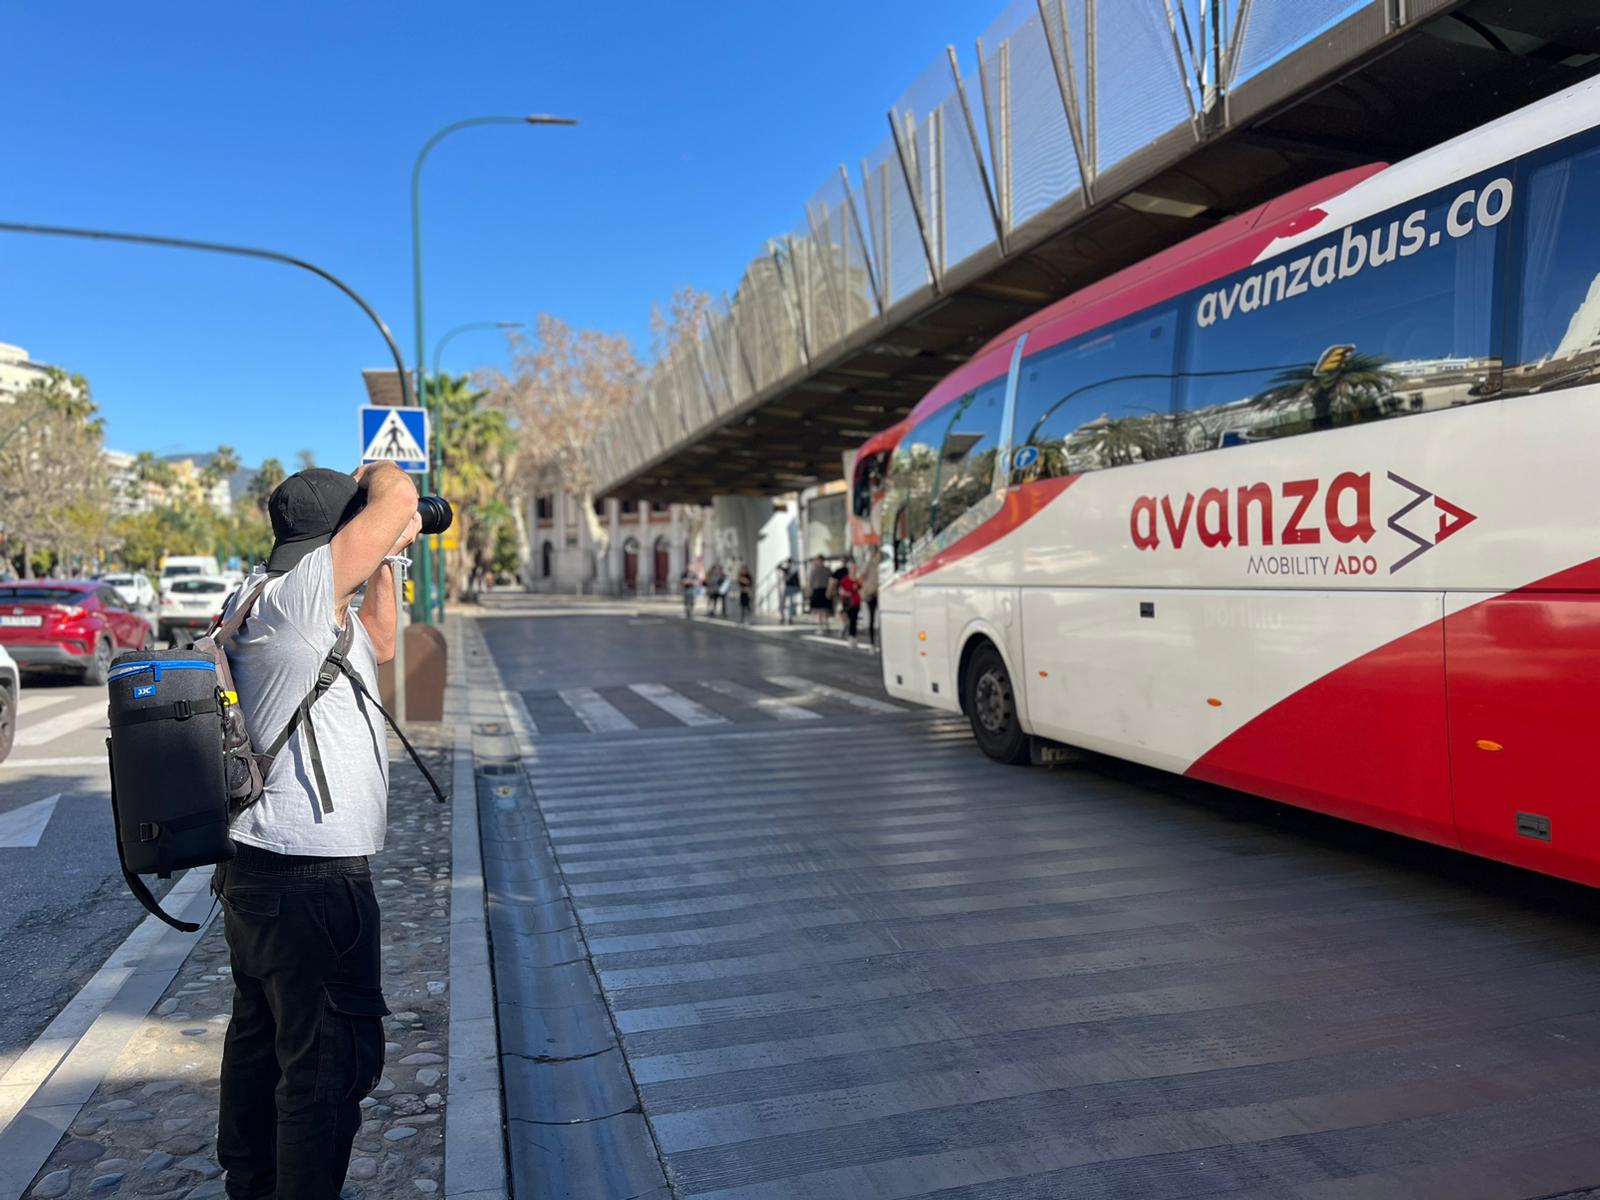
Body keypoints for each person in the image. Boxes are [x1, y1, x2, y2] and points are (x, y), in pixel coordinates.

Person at [212, 462, 420, 1198]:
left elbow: (382, 645)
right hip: (310, 877)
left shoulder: (267, 598)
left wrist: (391, 557)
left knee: (264, 1042)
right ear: (337, 533)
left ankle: (254, 1184)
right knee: (328, 1065)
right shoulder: (302, 595)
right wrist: (381, 479)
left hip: (263, 871)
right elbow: (397, 494)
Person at [838, 559, 863, 642]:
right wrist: (845, 593)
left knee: (854, 619)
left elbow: (862, 589)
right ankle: (846, 629)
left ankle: (852, 637)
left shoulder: (859, 580)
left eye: (854, 568)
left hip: (856, 602)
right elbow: (840, 590)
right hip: (847, 603)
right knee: (847, 617)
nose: (853, 570)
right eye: (852, 568)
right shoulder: (845, 580)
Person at [861, 548, 881, 649]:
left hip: (881, 593)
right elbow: (862, 576)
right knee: (872, 618)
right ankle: (872, 643)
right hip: (871, 594)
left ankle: (878, 643)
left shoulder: (883, 564)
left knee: (882, 619)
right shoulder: (870, 564)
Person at [807, 554, 832, 631]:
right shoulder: (824, 569)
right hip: (821, 590)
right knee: (822, 609)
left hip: (821, 590)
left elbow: (810, 582)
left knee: (822, 609)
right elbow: (811, 582)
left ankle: (823, 626)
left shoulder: (817, 570)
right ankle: (824, 625)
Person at [781, 559, 802, 625]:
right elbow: (779, 567)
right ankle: (784, 616)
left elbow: (797, 580)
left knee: (791, 603)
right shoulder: (787, 570)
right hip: (788, 588)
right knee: (786, 602)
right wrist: (783, 562)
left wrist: (798, 588)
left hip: (793, 588)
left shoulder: (794, 571)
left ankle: (790, 617)